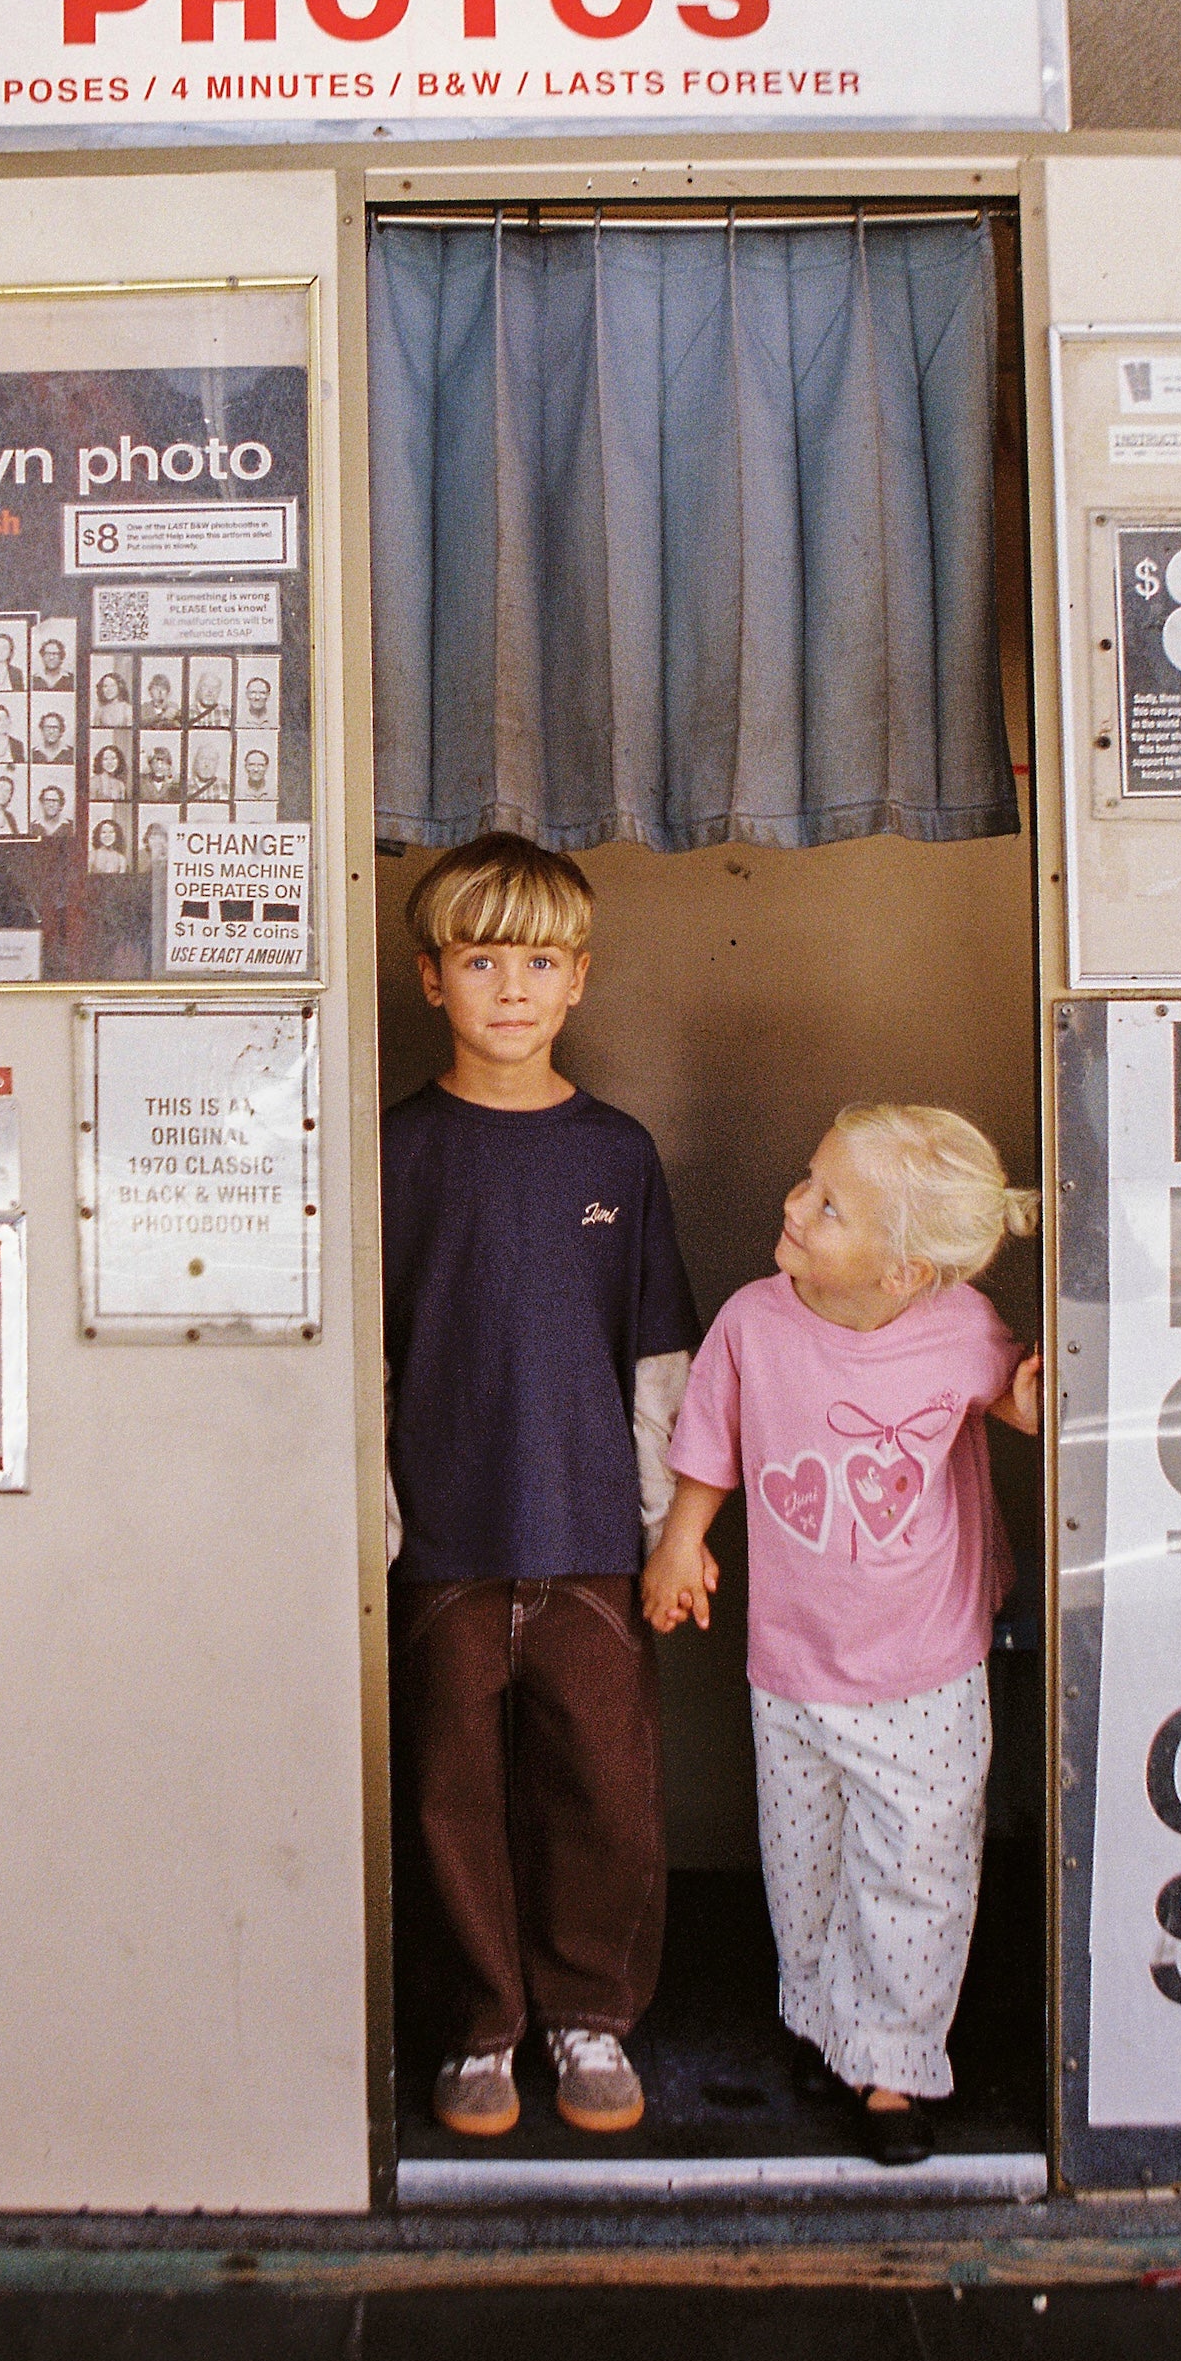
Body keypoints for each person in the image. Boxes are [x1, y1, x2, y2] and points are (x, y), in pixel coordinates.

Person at [647, 1106, 1042, 2168]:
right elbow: (708, 1441)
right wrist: (680, 1542)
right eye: (806, 1178)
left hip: (923, 1661)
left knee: (912, 1867)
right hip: (791, 1659)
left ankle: (893, 2067)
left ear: (906, 1271)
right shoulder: (750, 1321)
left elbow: (1008, 1397)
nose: (794, 1202)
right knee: (806, 1861)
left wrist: (1028, 1401)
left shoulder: (956, 1328)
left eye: (829, 1204)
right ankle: (830, 2024)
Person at [383, 833, 701, 2141]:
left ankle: (590, 2018)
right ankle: (480, 2029)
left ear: (579, 981)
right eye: (480, 960)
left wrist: (666, 1532)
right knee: (448, 1792)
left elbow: (661, 1359)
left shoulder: (616, 1156)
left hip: (589, 1542)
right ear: (428, 979)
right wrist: (375, 1520)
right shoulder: (394, 1151)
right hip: (443, 1538)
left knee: (605, 1796)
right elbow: (370, 1353)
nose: (510, 988)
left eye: (540, 961)